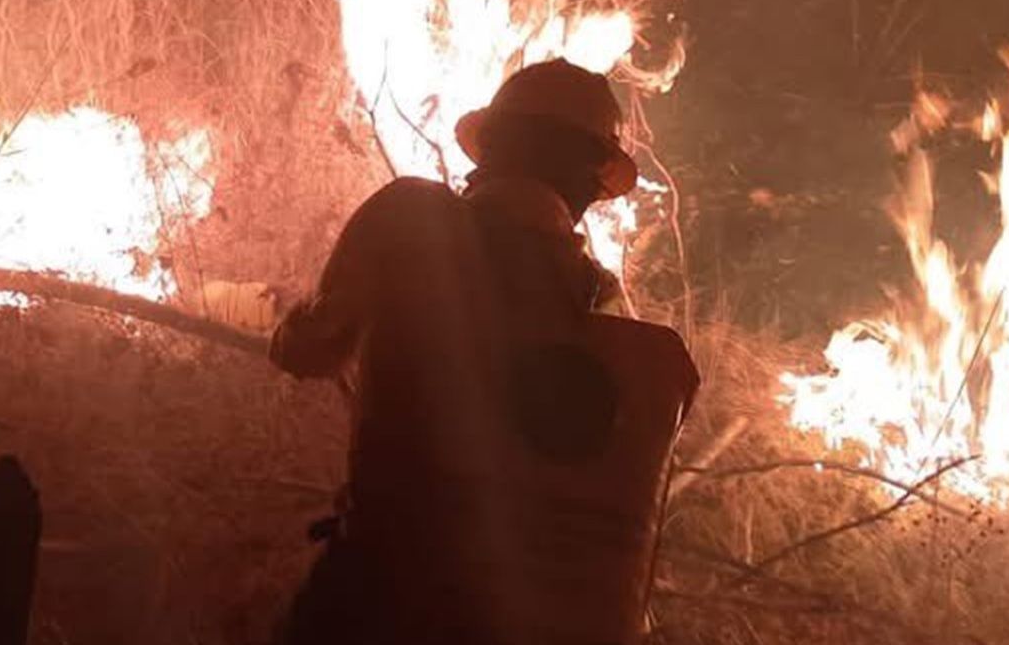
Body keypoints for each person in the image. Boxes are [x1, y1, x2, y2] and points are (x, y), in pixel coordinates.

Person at [271, 59, 699, 645]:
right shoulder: (602, 304)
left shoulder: (410, 218)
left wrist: (292, 317)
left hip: (382, 605)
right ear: (591, 181)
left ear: (491, 146)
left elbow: (306, 351)